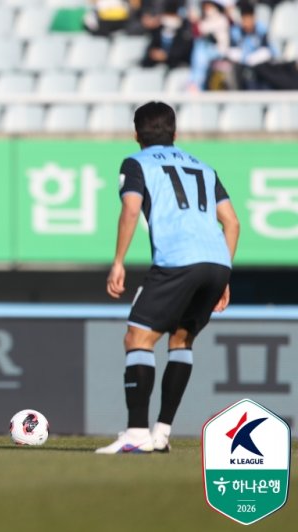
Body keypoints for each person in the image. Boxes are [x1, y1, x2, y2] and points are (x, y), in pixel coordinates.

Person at [96, 101, 239, 454]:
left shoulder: (136, 162)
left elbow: (131, 208)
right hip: (216, 262)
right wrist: (223, 274)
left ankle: (136, 433)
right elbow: (232, 222)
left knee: (137, 339)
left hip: (177, 261)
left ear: (136, 135)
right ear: (175, 135)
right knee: (181, 339)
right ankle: (161, 432)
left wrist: (118, 261)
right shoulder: (203, 167)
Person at [141, 0, 193, 69]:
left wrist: (167, 56)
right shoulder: (158, 31)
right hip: (157, 67)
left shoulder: (184, 33)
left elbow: (183, 53)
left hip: (175, 67)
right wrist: (154, 54)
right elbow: (150, 49)